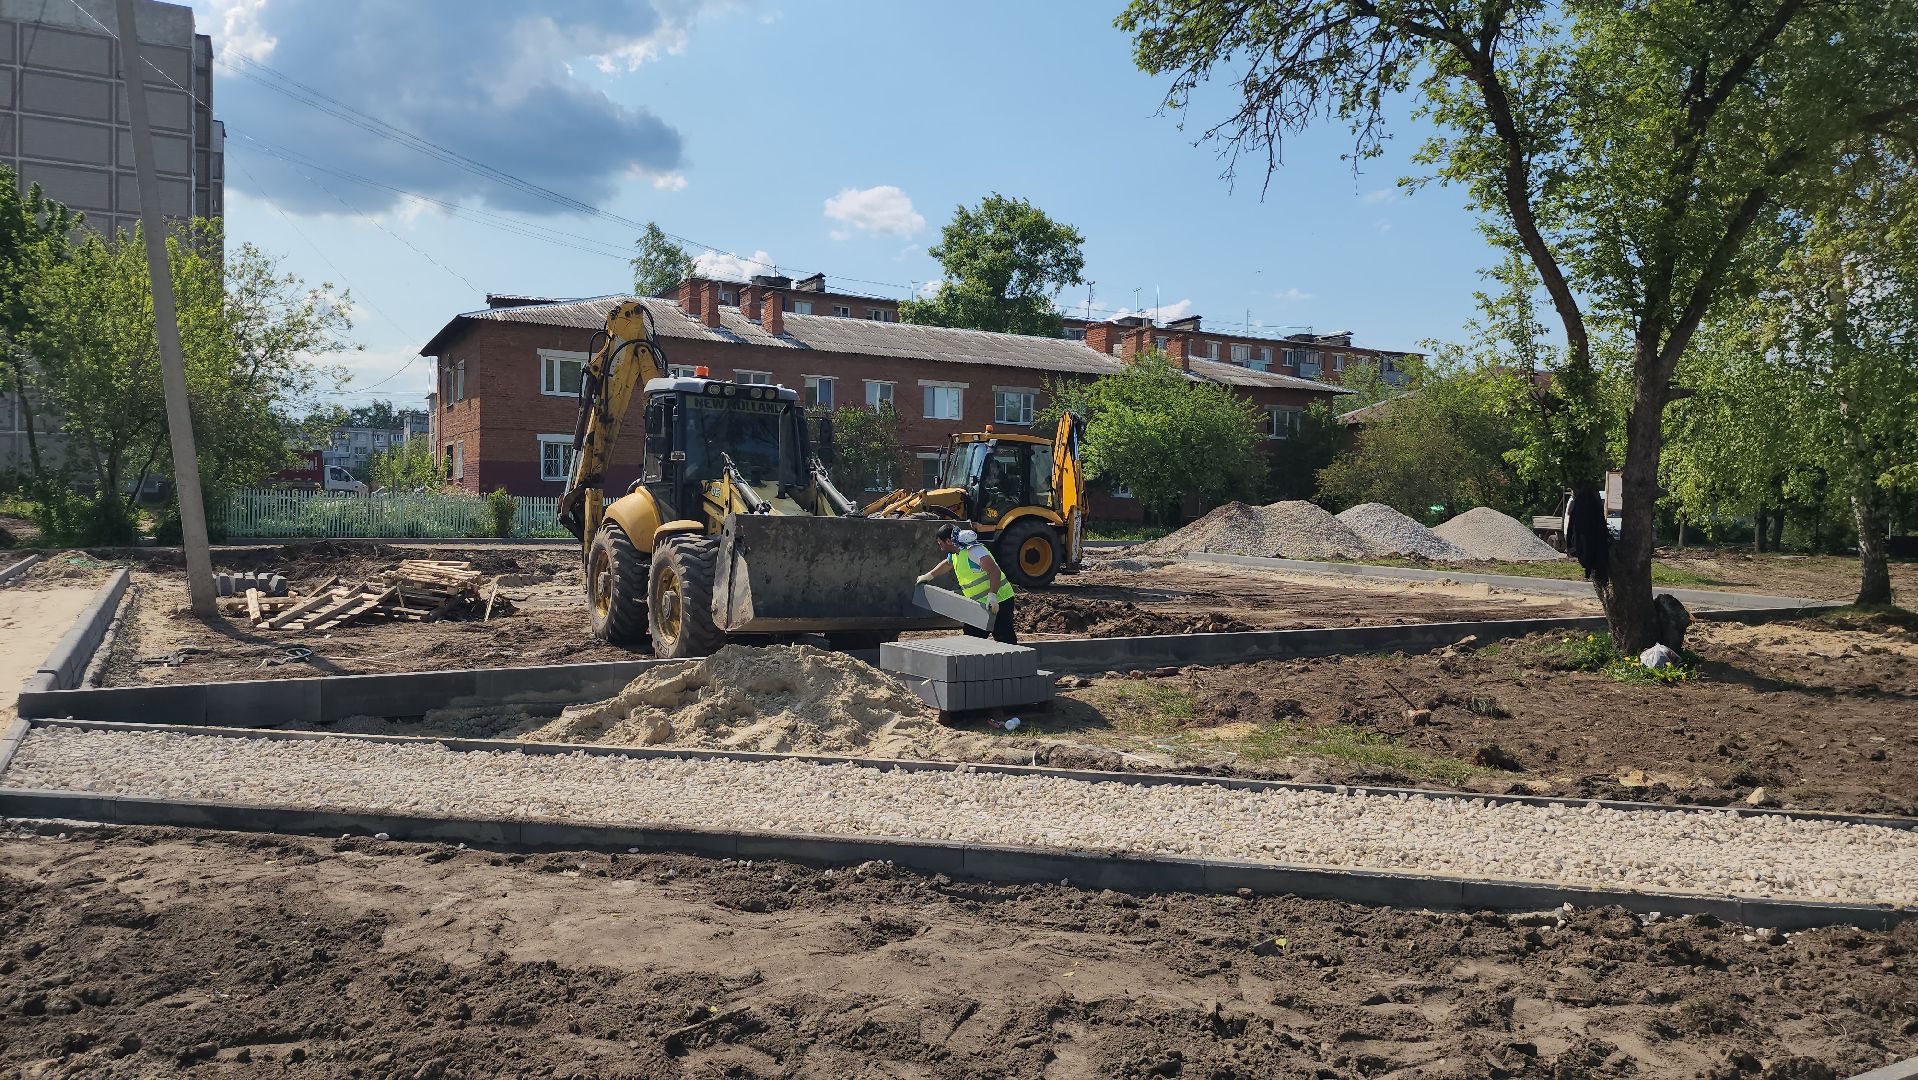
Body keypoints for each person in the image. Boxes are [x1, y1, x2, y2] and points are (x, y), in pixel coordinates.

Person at [917, 524, 1017, 643]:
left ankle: (1014, 661)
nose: (939, 546)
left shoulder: (974, 551)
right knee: (972, 638)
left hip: (999, 601)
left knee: (1004, 639)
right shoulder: (956, 553)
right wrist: (928, 576)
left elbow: (994, 571)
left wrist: (992, 596)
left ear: (949, 541)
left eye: (940, 543)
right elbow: (947, 564)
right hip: (980, 604)